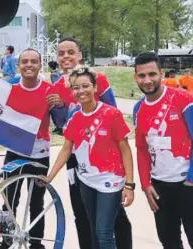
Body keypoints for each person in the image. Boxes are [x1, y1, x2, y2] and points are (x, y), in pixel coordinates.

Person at [51, 37, 131, 249]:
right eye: (61, 53)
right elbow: (61, 126)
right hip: (77, 160)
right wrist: (60, 107)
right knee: (81, 212)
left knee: (115, 215)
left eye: (70, 52)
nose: (66, 56)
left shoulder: (98, 78)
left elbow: (113, 111)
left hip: (106, 159)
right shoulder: (57, 86)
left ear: (80, 55)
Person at [132, 52, 193, 249]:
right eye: (142, 76)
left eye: (152, 74)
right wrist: (145, 183)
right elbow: (142, 148)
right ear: (135, 77)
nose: (147, 80)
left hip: (189, 185)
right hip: (159, 187)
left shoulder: (186, 100)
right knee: (169, 241)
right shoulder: (138, 109)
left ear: (161, 74)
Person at [0, 49, 67, 249]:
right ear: (18, 66)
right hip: (14, 151)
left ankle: (36, 244)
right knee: (10, 201)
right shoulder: (8, 87)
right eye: (25, 61)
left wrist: (61, 105)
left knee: (36, 202)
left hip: (39, 154)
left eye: (34, 61)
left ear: (40, 65)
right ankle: (6, 240)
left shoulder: (49, 90)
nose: (29, 65)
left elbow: (60, 122)